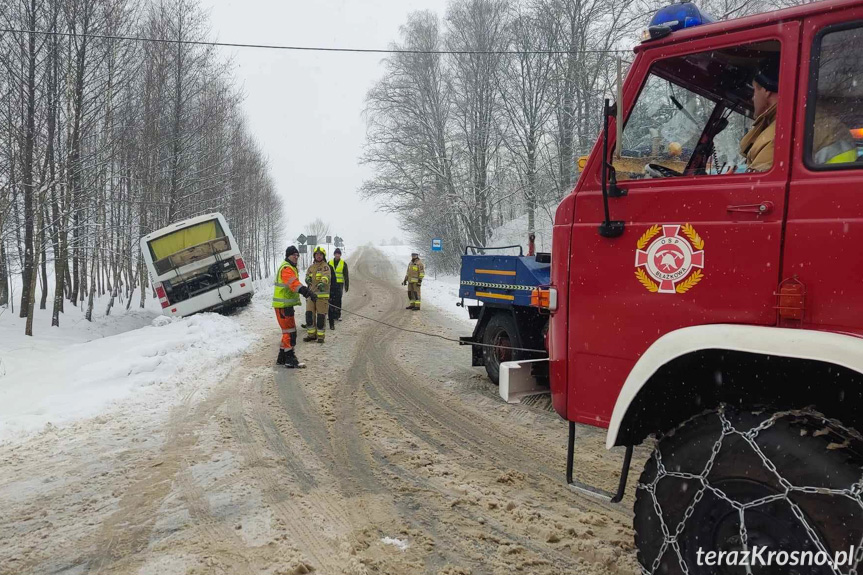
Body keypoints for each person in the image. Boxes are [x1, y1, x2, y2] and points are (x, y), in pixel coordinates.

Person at [273, 246, 316, 368]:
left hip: (286, 304)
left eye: (297, 255)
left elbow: (294, 284)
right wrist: (306, 292)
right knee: (290, 333)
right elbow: (293, 284)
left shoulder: (291, 267)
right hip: (283, 305)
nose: (296, 257)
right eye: (293, 255)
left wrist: (306, 292)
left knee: (288, 332)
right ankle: (290, 359)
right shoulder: (286, 268)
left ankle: (282, 357)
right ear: (288, 256)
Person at [740, 57, 779, 172]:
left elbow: (754, 188)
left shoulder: (774, 136)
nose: (753, 98)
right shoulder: (778, 127)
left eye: (755, 90)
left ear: (766, 91)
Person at [304, 246, 331, 343]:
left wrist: (323, 282)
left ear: (323, 256)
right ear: (314, 255)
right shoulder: (311, 267)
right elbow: (307, 275)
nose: (318, 256)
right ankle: (311, 335)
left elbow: (327, 276)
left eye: (320, 254)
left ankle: (320, 336)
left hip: (321, 297)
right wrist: (306, 279)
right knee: (309, 315)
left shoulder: (325, 266)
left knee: (320, 317)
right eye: (317, 254)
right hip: (311, 295)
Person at [327, 248, 349, 330]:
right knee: (331, 299)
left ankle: (338, 314)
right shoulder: (329, 263)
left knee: (338, 299)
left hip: (339, 284)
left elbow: (346, 275)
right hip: (332, 283)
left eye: (338, 254)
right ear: (334, 254)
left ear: (340, 255)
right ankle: (331, 315)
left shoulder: (343, 263)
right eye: (336, 253)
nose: (337, 255)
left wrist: (346, 285)